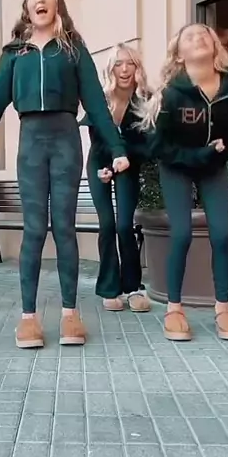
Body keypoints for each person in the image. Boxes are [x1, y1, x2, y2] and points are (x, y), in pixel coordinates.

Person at [0, 0, 130, 348]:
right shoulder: (14, 53)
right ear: (27, 8)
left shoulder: (73, 48)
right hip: (31, 143)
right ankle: (28, 318)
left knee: (64, 228)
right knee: (34, 230)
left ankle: (70, 314)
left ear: (57, 7)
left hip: (66, 140)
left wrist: (117, 147)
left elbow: (96, 102)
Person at [140, 22, 228, 342]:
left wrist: (220, 153)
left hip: (213, 165)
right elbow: (158, 145)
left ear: (215, 45)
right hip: (176, 166)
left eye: (204, 34)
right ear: (179, 53)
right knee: (181, 234)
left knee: (222, 234)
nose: (198, 37)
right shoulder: (172, 93)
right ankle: (174, 309)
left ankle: (223, 309)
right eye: (189, 36)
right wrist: (197, 155)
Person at [79, 43, 152, 312]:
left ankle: (133, 287)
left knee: (124, 226)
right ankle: (109, 288)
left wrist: (124, 158)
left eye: (129, 63)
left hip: (130, 165)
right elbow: (96, 141)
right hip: (99, 162)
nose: (124, 69)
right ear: (111, 69)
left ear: (137, 68)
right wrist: (106, 168)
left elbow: (149, 146)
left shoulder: (146, 100)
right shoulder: (100, 99)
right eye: (118, 64)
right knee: (107, 225)